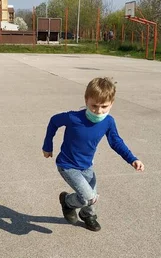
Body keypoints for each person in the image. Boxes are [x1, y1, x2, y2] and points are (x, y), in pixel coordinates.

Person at [42, 77, 145, 232]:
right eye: (94, 106)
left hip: (87, 166)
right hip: (67, 165)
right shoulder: (73, 118)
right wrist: (47, 145)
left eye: (104, 106)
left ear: (112, 104)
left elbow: (116, 142)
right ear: (86, 100)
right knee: (88, 197)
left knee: (93, 197)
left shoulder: (108, 121)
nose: (99, 111)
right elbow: (53, 121)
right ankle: (67, 202)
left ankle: (88, 215)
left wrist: (132, 159)